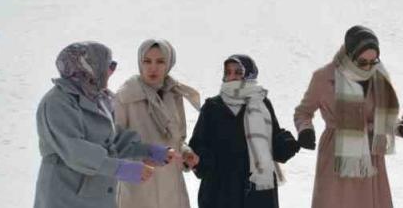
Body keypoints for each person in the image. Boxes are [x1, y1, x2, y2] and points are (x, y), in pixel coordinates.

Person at [35, 42, 178, 208]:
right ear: (87, 68)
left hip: (98, 196)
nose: (111, 71)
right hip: (64, 196)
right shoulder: (57, 102)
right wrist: (120, 168)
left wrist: (149, 151)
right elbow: (75, 151)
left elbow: (113, 141)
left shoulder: (100, 98)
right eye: (109, 65)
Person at [294, 26, 402, 208]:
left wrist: (401, 127)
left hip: (370, 157)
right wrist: (305, 130)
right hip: (337, 155)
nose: (369, 67)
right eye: (363, 62)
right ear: (350, 54)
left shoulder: (379, 77)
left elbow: (384, 116)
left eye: (373, 61)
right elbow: (303, 112)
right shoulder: (324, 77)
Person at [189, 55, 302, 208]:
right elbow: (199, 143)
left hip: (257, 191)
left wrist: (288, 143)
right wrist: (200, 160)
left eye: (238, 72)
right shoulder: (213, 106)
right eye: (228, 72)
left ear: (250, 75)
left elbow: (273, 138)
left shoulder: (262, 103)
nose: (232, 77)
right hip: (221, 189)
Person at [113, 39, 201, 208]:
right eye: (147, 61)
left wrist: (186, 153)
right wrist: (145, 158)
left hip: (172, 190)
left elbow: (177, 139)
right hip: (139, 190)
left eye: (160, 61)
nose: (153, 68)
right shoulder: (125, 97)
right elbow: (114, 145)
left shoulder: (174, 94)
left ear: (169, 64)